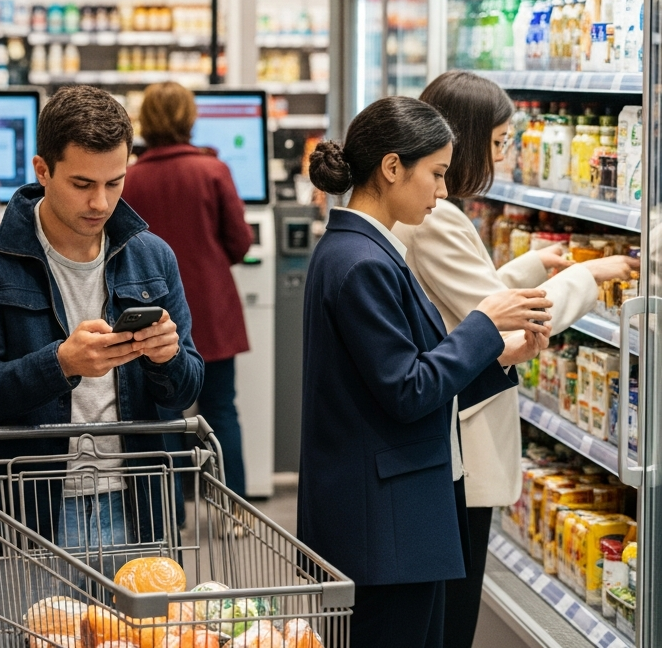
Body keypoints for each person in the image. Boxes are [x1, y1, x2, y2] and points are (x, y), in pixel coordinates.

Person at [394, 71, 638, 648]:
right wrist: (587, 273)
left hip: (450, 429)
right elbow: (493, 316)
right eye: (501, 141)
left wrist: (534, 265)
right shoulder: (439, 216)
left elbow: (470, 300)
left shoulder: (432, 212)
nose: (505, 155)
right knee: (453, 612)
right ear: (471, 139)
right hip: (461, 431)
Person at [298, 96, 553, 648]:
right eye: (435, 174)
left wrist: (499, 357)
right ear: (393, 168)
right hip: (385, 528)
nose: (443, 190)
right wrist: (485, 324)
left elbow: (401, 372)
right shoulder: (362, 262)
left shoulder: (366, 251)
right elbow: (408, 389)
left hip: (392, 517)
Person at [0, 84, 203, 548]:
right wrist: (60, 364)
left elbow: (185, 389)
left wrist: (167, 358)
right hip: (29, 510)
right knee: (40, 626)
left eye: (115, 182)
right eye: (82, 184)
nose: (101, 203)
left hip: (138, 504)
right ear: (42, 170)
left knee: (142, 626)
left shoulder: (153, 258)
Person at [122, 82, 254, 497]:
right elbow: (240, 242)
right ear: (190, 118)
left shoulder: (129, 178)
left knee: (165, 414)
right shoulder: (212, 171)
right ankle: (234, 510)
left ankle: (171, 511)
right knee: (221, 410)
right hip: (213, 311)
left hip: (153, 315)